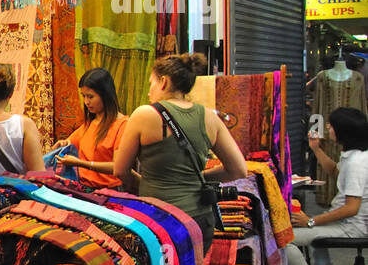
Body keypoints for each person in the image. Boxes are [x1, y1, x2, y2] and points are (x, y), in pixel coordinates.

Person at [113, 52, 248, 251]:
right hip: (200, 220)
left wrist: (144, 185)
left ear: (164, 82)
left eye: (151, 84)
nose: (149, 92)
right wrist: (199, 176)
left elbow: (120, 170)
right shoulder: (209, 117)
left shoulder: (144, 114)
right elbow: (238, 170)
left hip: (160, 220)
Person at [285, 107, 368, 265]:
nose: (328, 127)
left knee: (284, 240)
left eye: (332, 125)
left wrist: (310, 221)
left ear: (344, 131)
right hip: (347, 223)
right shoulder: (355, 156)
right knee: (314, 227)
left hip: (351, 228)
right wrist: (316, 149)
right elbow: (335, 171)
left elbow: (352, 208)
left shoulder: (356, 163)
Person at [48, 67, 127, 188]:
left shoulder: (122, 125)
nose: (86, 102)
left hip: (109, 191)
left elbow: (118, 167)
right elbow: (70, 142)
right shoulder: (90, 123)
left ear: (105, 95)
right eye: (83, 96)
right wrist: (63, 144)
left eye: (90, 97)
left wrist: (82, 164)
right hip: (84, 187)